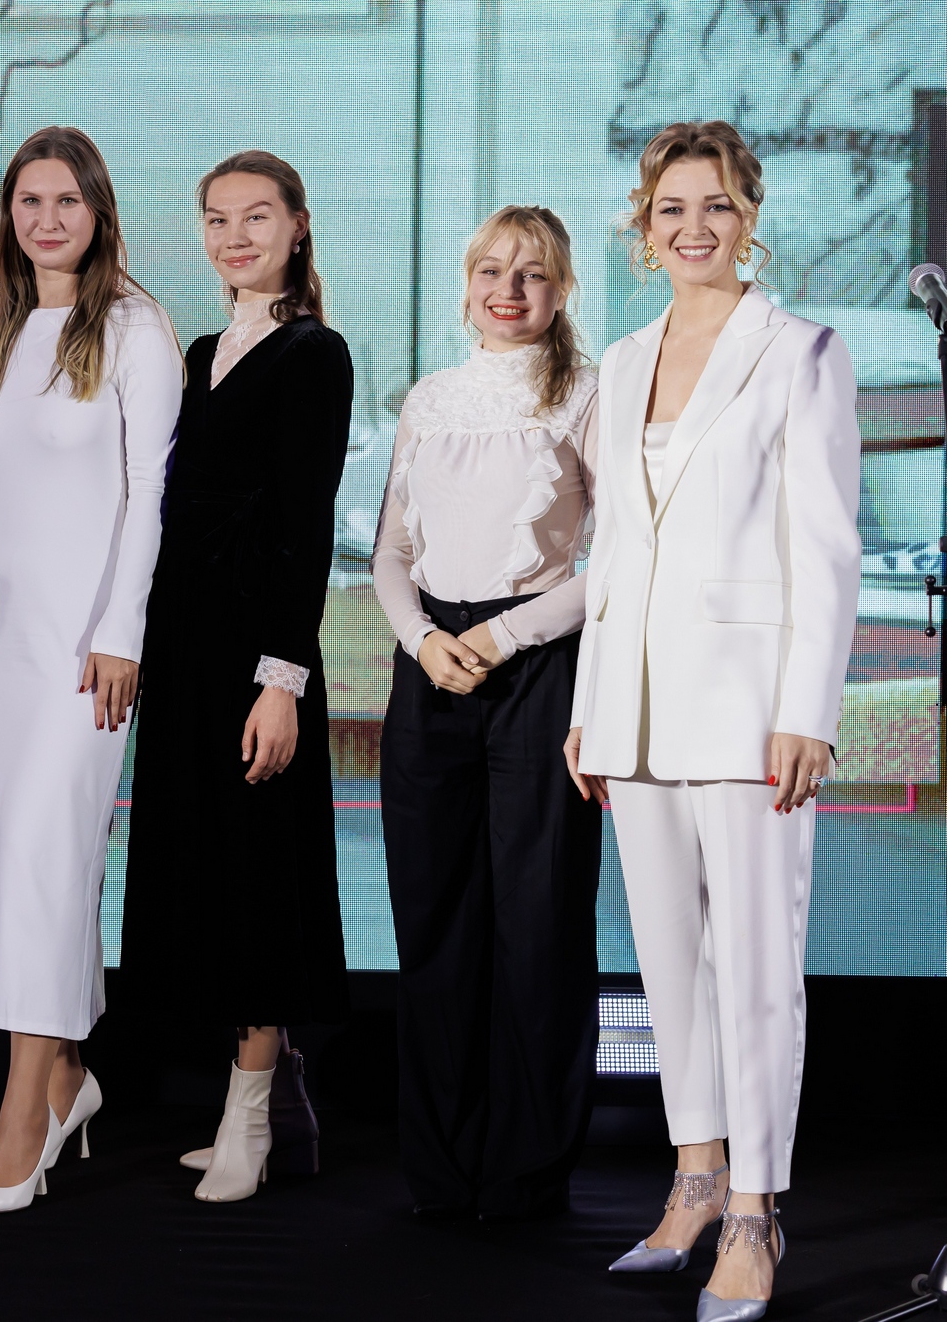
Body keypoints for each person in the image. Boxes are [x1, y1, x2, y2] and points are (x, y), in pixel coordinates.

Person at [569, 121, 860, 1320]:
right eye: (671, 208)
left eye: (717, 205)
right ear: (644, 229)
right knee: (667, 958)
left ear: (750, 219)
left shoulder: (801, 352)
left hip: (748, 708)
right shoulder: (621, 358)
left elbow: (825, 548)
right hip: (633, 710)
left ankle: (755, 1210)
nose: (694, 227)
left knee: (754, 965)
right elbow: (609, 550)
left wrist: (807, 709)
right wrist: (590, 703)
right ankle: (694, 1177)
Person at [0, 126, 182, 1215]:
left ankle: (21, 1116)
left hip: (87, 649)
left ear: (98, 211)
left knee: (45, 854)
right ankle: (68, 1076)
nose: (46, 218)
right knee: (8, 863)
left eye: (66, 199)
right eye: (29, 200)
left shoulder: (134, 329)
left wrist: (122, 632)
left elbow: (150, 491)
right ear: (9, 217)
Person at [120, 151, 353, 1204]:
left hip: (258, 658)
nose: (235, 237)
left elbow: (303, 526)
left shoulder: (315, 353)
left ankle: (250, 1121)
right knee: (207, 879)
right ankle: (257, 1105)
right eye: (217, 219)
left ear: (296, 226)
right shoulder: (204, 349)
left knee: (260, 882)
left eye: (256, 217)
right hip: (183, 651)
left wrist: (281, 679)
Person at [370, 205, 602, 1220]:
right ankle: (440, 1162)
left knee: (539, 924)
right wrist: (423, 640)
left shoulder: (587, 393)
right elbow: (389, 553)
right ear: (466, 285)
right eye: (491, 271)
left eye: (532, 274)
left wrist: (502, 639)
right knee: (434, 919)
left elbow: (619, 558)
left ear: (560, 290)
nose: (508, 290)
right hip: (428, 665)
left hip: (537, 664)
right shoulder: (428, 398)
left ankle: (527, 1171)